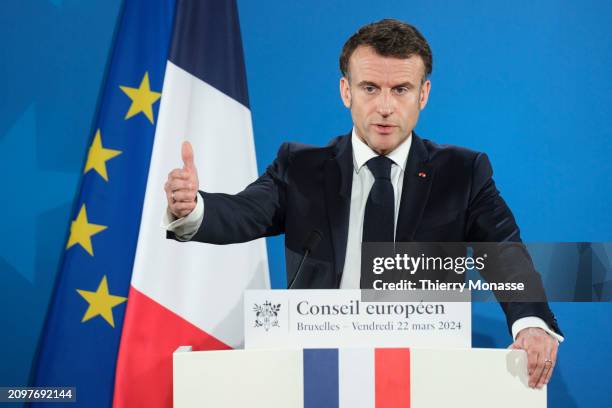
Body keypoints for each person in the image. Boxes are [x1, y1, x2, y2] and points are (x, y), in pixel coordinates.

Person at [162, 19, 561, 389]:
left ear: (423, 94)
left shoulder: (463, 172)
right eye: (370, 88)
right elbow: (243, 213)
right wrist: (193, 207)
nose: (385, 107)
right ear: (346, 91)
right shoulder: (300, 167)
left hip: (423, 375)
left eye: (401, 89)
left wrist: (531, 322)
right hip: (316, 374)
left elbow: (504, 252)